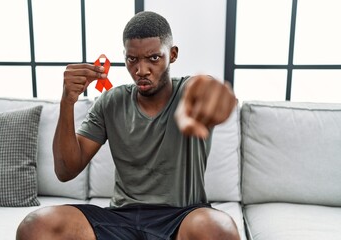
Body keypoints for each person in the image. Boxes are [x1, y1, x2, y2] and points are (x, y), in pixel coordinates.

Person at [16, 11, 240, 240]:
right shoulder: (111, 102)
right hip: (122, 218)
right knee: (35, 226)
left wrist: (214, 94)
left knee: (219, 228)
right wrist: (67, 100)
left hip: (182, 217)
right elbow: (65, 171)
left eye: (153, 58)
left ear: (172, 55)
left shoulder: (187, 92)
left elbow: (207, 92)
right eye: (132, 59)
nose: (141, 70)